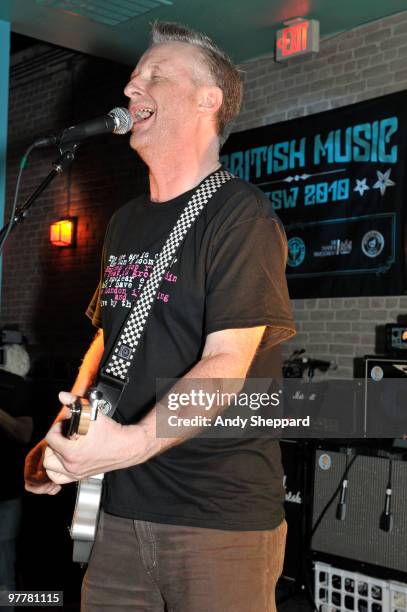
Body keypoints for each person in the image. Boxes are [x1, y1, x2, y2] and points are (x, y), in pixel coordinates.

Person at [25, 21, 296, 611]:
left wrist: (128, 443)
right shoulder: (125, 221)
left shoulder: (240, 216)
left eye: (154, 75)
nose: (130, 87)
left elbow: (227, 362)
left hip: (217, 521)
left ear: (208, 99)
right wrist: (70, 437)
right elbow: (108, 341)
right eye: (132, 76)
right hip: (120, 510)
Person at [0, 340, 32, 606]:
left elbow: (24, 433)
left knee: (4, 560)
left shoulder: (22, 392)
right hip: (9, 490)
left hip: (8, 491)